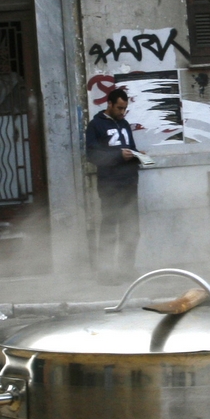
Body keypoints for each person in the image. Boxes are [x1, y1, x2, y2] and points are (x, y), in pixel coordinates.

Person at [85, 86, 142, 280]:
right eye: (119, 108)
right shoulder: (95, 126)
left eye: (124, 108)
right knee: (110, 228)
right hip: (110, 186)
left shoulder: (124, 124)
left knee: (132, 229)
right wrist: (118, 155)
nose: (122, 112)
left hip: (129, 184)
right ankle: (106, 272)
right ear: (109, 104)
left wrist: (136, 155)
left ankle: (127, 269)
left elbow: (130, 148)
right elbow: (92, 155)